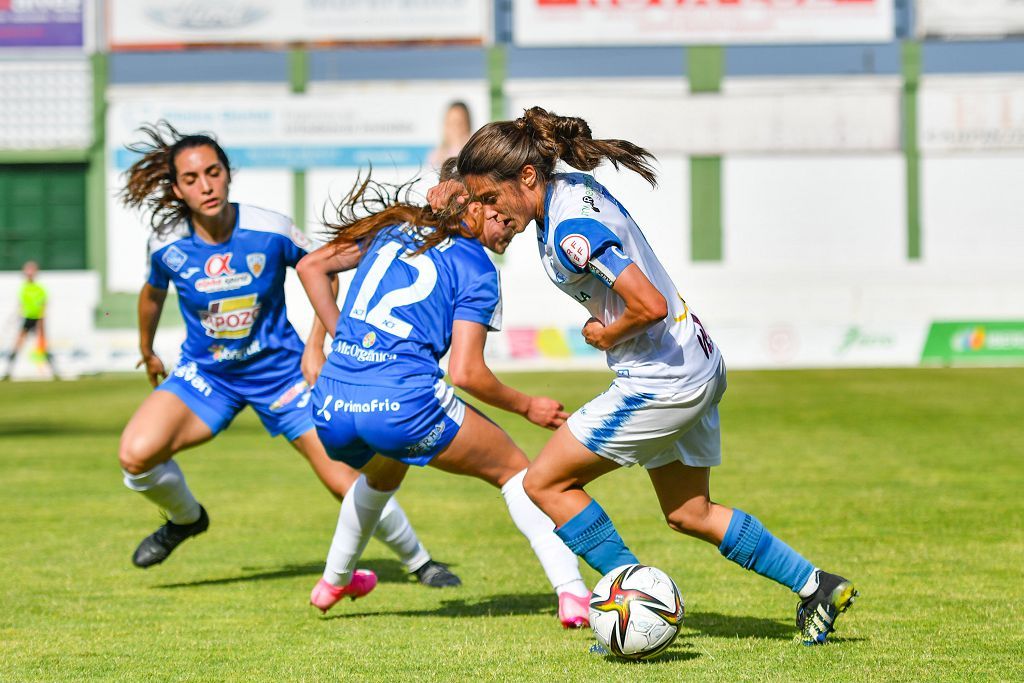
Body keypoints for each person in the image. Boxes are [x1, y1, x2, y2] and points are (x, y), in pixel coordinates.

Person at [444, 107, 858, 645]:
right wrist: (454, 192)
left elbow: (649, 304)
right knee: (690, 513)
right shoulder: (566, 188)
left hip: (662, 378)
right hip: (696, 359)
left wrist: (606, 335)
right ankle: (816, 585)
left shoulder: (570, 229)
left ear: (526, 178)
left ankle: (635, 602)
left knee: (543, 482)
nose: (485, 210)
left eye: (490, 198)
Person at [116, 121, 459, 589]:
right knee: (135, 456)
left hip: (282, 374)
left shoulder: (269, 228)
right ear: (177, 188)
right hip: (207, 376)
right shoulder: (167, 243)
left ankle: (421, 563)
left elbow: (324, 269)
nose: (206, 185)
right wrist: (147, 350)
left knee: (343, 479)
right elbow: (152, 295)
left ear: (227, 173)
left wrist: (316, 345)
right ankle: (186, 519)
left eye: (213, 172)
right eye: (192, 179)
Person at [296, 165, 592, 628]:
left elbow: (311, 266)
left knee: (383, 471)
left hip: (333, 403)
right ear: (475, 202)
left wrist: (345, 339)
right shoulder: (476, 267)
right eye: (504, 218)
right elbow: (467, 373)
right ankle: (574, 594)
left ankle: (333, 581)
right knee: (517, 472)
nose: (510, 229)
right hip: (401, 404)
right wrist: (527, 405)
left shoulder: (394, 229)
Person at [2, 260, 58, 380]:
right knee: (17, 345)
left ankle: (55, 371)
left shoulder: (39, 288)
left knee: (42, 345)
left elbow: (44, 304)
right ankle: (8, 371)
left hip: (38, 319)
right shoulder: (23, 288)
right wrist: (16, 317)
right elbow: (21, 305)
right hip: (27, 319)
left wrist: (41, 320)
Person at [428, 101, 473, 171]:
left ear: (468, 125)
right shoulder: (435, 155)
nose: (454, 128)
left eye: (459, 123)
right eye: (450, 123)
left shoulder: (474, 153)